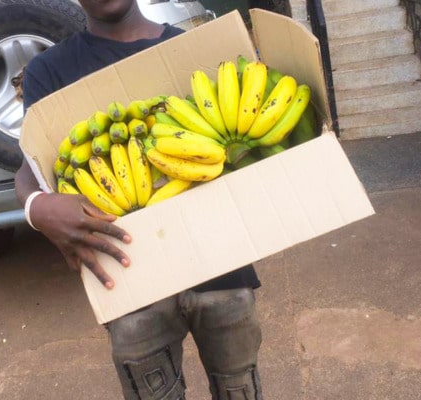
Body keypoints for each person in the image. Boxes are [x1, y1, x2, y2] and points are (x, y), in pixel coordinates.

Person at [15, 0, 263, 398]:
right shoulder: (50, 71)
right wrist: (36, 207)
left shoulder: (189, 50)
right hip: (130, 283)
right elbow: (27, 172)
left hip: (220, 268)